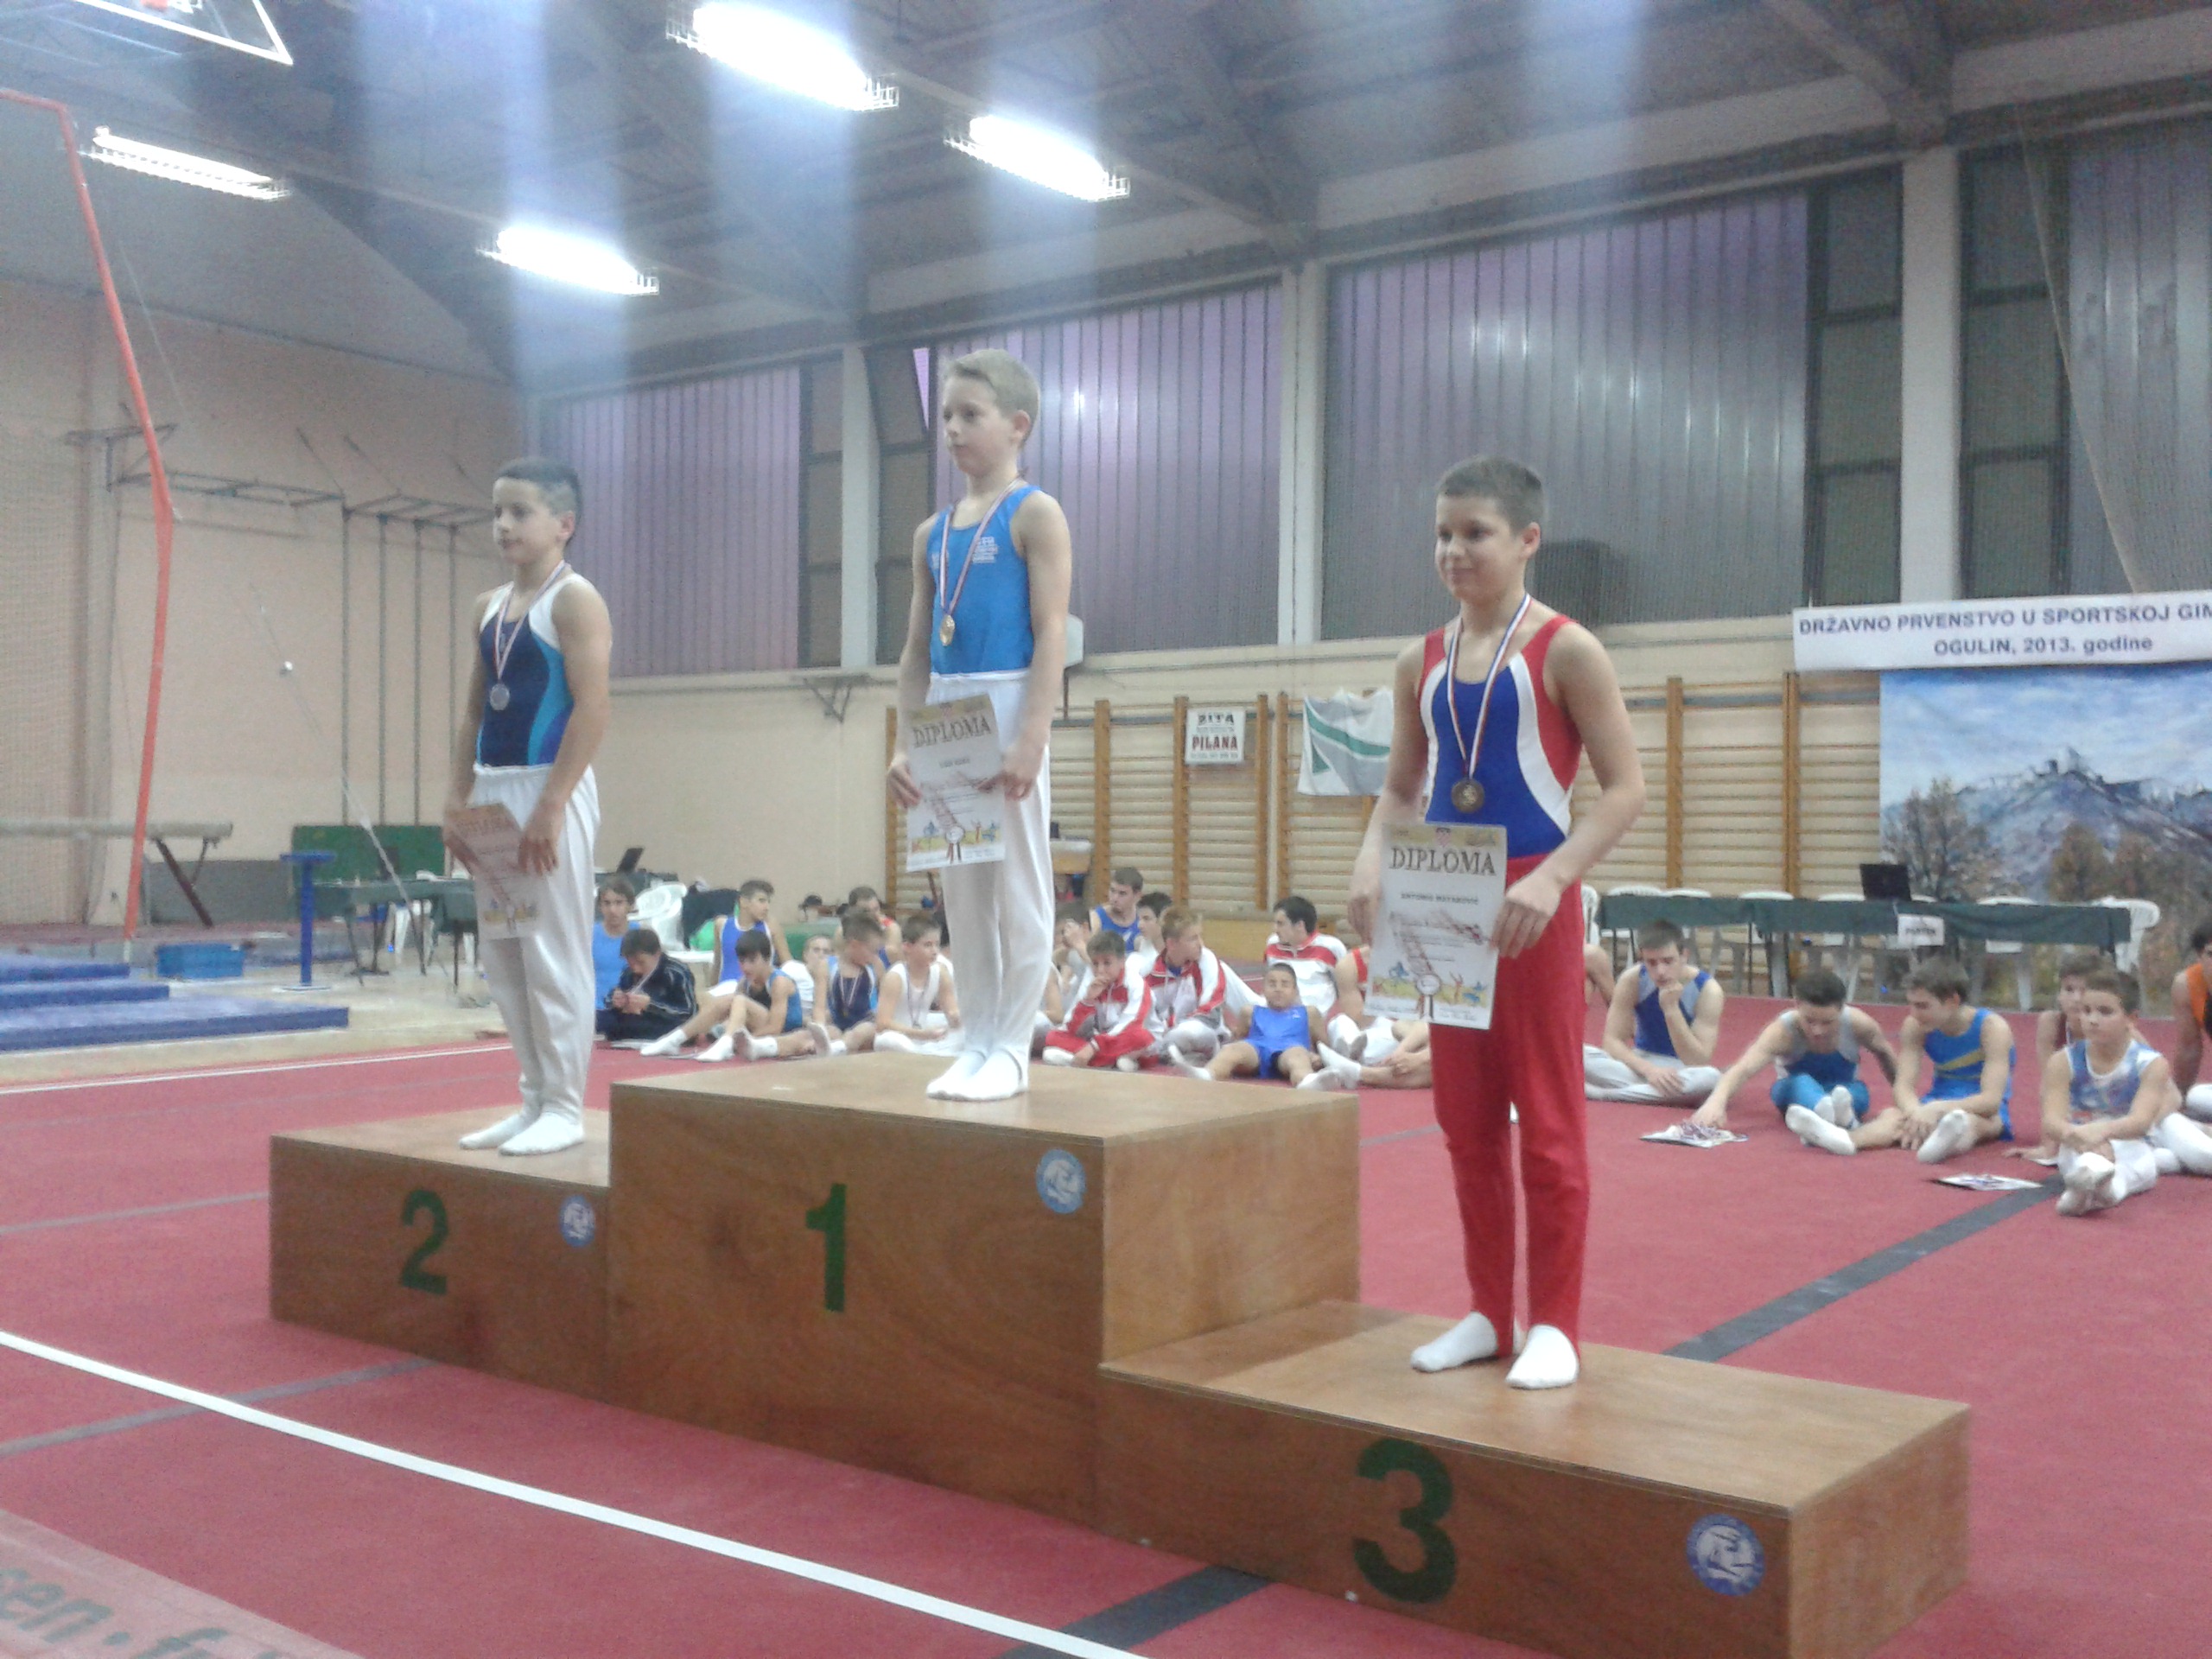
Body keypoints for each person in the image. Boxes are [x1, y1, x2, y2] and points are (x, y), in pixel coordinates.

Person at [1347, 456, 1644, 1390]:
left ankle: (1556, 1323)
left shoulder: (1567, 650)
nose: (1453, 550)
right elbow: (1402, 788)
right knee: (1465, 1123)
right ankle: (1487, 1310)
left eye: (1474, 533)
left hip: (1530, 902)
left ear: (1527, 540)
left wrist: (1555, 880)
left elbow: (1625, 790)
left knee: (1548, 1123)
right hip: (1441, 892)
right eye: (1442, 534)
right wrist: (1369, 861)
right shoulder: (1419, 662)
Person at [887, 348, 1071, 1103]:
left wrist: (1033, 736)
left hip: (1008, 701)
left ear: (1018, 426)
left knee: (1018, 889)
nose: (954, 430)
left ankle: (1014, 1050)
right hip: (947, 713)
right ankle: (980, 1038)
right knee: (962, 894)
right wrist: (904, 741)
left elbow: (1051, 631)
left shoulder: (1034, 513)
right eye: (947, 416)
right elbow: (913, 651)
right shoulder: (931, 533)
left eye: (971, 415)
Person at [446, 457, 612, 1159]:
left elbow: (593, 707)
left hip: (549, 786)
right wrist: (456, 799)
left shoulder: (574, 600)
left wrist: (552, 805)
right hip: (493, 788)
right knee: (506, 955)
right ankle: (534, 1099)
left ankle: (567, 1108)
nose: (503, 525)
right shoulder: (487, 607)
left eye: (520, 512)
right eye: (497, 512)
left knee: (552, 951)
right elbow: (474, 711)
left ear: (564, 524)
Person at [1689, 969, 1900, 1147]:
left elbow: (1887, 1056)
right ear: (1797, 1005)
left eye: (1828, 1023)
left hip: (1841, 1089)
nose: (1817, 1031)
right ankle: (1835, 1117)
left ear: (1842, 1008)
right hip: (1797, 1094)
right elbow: (1743, 1068)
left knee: (1854, 1091)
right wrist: (1716, 1102)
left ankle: (1835, 1116)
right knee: (1799, 1083)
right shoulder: (1783, 1031)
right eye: (1810, 1021)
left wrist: (1905, 1103)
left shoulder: (1859, 1024)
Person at [1861, 957, 2016, 1162]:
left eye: (1922, 1006)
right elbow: (1903, 1087)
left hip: (1980, 1110)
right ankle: (1848, 1140)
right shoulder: (1915, 1026)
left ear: (1952, 1001)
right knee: (1892, 1115)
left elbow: (1991, 1101)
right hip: (1936, 1100)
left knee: (1975, 1123)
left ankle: (1942, 1143)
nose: (1914, 1013)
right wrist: (1915, 1113)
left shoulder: (1993, 1029)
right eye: (1911, 1004)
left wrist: (1938, 1109)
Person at [2045, 966, 2172, 1214]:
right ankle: (2099, 1188)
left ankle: (2097, 1190)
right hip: (2078, 1143)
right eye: (2086, 1011)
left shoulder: (2151, 1064)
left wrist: (2101, 1132)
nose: (2093, 1020)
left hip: (2130, 1145)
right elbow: (2052, 1121)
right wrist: (2079, 1137)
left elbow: (2140, 1122)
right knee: (2084, 1160)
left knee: (2130, 1162)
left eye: (2105, 1012)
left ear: (2131, 1019)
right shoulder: (2063, 1061)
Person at [1583, 921, 1724, 1105]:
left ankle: (1607, 1094)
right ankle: (1648, 1092)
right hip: (1640, 1064)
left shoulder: (1708, 990)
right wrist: (1650, 1071)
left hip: (1681, 1069)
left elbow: (1697, 1061)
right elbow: (1611, 1042)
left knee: (1711, 1077)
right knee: (1578, 1054)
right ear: (1642, 959)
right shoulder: (1632, 979)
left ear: (1684, 956)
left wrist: (1672, 1010)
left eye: (1668, 961)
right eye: (1651, 963)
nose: (1660, 972)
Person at [1172, 962, 1341, 1089]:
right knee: (1234, 1050)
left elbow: (1325, 1047)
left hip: (1290, 1050)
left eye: (1285, 984)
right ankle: (1208, 1074)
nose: (1278, 989)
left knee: (1297, 1056)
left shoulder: (1309, 1013)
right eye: (1272, 984)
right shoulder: (1250, 1012)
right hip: (1258, 1050)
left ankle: (1306, 1080)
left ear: (1295, 990)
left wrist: (1318, 1059)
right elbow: (1238, 1039)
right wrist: (1231, 1049)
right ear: (1263, 989)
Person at [1042, 929, 1155, 1070]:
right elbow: (1070, 1026)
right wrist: (1088, 1001)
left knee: (1142, 1037)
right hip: (1103, 1041)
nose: (1100, 970)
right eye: (1095, 964)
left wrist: (1093, 1046)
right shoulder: (1092, 979)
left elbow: (1132, 1024)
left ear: (1122, 961)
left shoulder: (1136, 984)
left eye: (1107, 963)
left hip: (1129, 1039)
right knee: (1053, 1036)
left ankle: (1081, 1060)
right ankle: (1111, 1062)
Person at [1143, 907, 1236, 1064]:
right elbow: (1145, 1015)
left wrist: (1174, 1027)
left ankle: (1169, 1051)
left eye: (1200, 936)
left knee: (1189, 1032)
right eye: (1193, 938)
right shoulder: (1149, 972)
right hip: (1163, 1034)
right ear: (1171, 944)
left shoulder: (1206, 960)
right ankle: (1172, 1052)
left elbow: (1211, 1011)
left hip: (1204, 1030)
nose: (1200, 944)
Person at [873, 912, 963, 1052]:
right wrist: (922, 1035)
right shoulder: (895, 977)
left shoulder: (941, 972)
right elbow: (882, 1024)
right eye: (928, 945)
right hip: (899, 1038)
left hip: (925, 1036)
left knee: (967, 1033)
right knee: (889, 1039)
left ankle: (926, 1052)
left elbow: (952, 1013)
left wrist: (958, 1017)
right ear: (907, 947)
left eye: (937, 945)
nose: (934, 951)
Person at [596, 928, 698, 1045]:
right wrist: (616, 1000)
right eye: (631, 963)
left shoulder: (676, 972)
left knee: (679, 1028)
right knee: (599, 1018)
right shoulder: (628, 972)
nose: (636, 969)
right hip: (636, 1021)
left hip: (665, 1023)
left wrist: (650, 1005)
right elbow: (611, 1002)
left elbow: (688, 1013)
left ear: (657, 954)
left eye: (641, 962)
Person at [810, 908, 886, 1055]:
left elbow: (885, 1003)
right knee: (829, 1033)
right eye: (873, 951)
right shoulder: (827, 966)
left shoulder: (875, 966)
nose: (875, 956)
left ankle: (837, 1049)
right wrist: (821, 1030)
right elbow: (819, 1007)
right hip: (837, 1024)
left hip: (867, 1024)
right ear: (854, 945)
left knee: (859, 1032)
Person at [1265, 894, 1350, 1015]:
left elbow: (1345, 988)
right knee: (1248, 1009)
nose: (1275, 929)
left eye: (1281, 924)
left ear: (1300, 925)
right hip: (1278, 1009)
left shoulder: (1331, 947)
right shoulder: (1272, 944)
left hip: (1312, 1014)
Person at [2166, 918, 2212, 1121]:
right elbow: (2189, 1049)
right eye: (2211, 954)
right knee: (2194, 1097)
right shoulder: (2186, 985)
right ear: (2199, 956)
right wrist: (2177, 1100)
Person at [592, 876, 634, 1009]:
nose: (612, 910)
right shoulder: (589, 936)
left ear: (631, 905)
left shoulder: (641, 936)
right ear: (600, 906)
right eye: (607, 903)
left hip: (631, 1010)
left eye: (619, 903)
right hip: (595, 1009)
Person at [1089, 868, 1146, 952]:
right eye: (1112, 891)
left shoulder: (1144, 919)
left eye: (1122, 894)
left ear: (1137, 896)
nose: (1115, 898)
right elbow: (1090, 954)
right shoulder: (1096, 918)